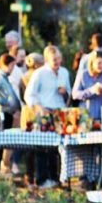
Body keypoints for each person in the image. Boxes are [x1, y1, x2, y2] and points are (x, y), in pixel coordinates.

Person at [24, 45, 71, 188]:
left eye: (58, 59)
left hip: (59, 112)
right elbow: (28, 94)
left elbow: (69, 94)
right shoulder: (39, 73)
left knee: (57, 148)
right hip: (44, 111)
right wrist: (38, 107)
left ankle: (55, 178)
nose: (57, 62)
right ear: (46, 60)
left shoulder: (64, 72)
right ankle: (41, 179)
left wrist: (65, 93)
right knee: (42, 147)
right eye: (54, 60)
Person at [72, 50, 102, 190]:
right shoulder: (83, 75)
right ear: (92, 62)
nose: (101, 65)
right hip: (88, 117)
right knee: (87, 149)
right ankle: (86, 180)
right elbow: (75, 94)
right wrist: (92, 91)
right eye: (99, 62)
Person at [0, 53, 22, 173]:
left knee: (3, 142)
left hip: (8, 112)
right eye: (12, 65)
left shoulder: (4, 77)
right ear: (6, 65)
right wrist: (10, 105)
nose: (13, 69)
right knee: (0, 142)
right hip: (3, 112)